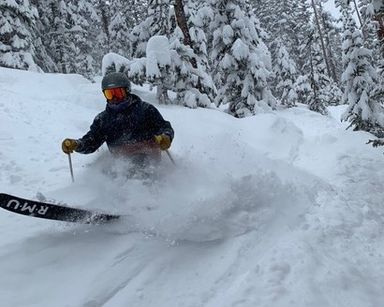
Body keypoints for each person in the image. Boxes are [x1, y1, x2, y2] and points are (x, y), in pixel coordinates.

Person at [61, 72, 174, 171]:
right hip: (122, 166)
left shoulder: (145, 110)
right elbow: (91, 142)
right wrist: (77, 145)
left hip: (150, 162)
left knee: (142, 169)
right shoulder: (103, 120)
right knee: (108, 175)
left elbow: (164, 127)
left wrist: (166, 137)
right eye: (110, 94)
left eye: (118, 93)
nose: (114, 98)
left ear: (127, 91)